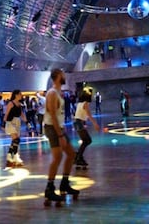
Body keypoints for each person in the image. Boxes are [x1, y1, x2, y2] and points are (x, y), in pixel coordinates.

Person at [43, 69, 79, 205]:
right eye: (63, 74)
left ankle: (64, 183)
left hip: (59, 127)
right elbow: (52, 114)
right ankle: (49, 188)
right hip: (52, 128)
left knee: (70, 154)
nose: (64, 76)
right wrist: (59, 134)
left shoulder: (59, 92)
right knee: (57, 157)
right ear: (58, 76)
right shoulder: (52, 93)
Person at [73, 87, 100, 168]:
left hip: (77, 123)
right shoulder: (85, 104)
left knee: (86, 140)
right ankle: (77, 157)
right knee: (87, 140)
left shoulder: (79, 104)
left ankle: (78, 157)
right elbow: (89, 115)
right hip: (79, 123)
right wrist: (95, 124)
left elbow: (79, 114)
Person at [4, 90, 27, 167]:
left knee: (15, 141)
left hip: (17, 122)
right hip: (10, 122)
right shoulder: (11, 103)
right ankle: (15, 157)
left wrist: (27, 122)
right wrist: (3, 124)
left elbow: (21, 114)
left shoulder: (19, 104)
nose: (21, 95)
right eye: (20, 94)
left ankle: (10, 157)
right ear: (16, 95)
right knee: (16, 139)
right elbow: (6, 114)